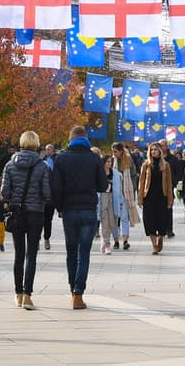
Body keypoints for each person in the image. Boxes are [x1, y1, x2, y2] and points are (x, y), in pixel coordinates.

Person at [51, 125, 107, 309]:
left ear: (70, 138)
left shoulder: (61, 159)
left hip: (69, 210)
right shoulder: (94, 158)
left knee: (71, 252)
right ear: (86, 138)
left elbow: (56, 187)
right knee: (84, 253)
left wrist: (59, 207)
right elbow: (102, 185)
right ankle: (78, 292)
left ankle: (72, 290)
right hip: (88, 209)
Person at [2, 130, 52, 309]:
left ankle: (17, 293)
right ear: (37, 144)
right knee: (32, 254)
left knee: (19, 254)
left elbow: (4, 193)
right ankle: (27, 295)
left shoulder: (9, 165)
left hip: (17, 213)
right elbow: (47, 194)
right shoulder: (43, 166)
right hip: (35, 213)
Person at [138, 143, 173, 254]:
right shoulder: (146, 165)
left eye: (155, 150)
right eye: (151, 150)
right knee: (149, 221)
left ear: (160, 151)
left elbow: (169, 183)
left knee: (162, 220)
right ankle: (154, 245)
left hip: (162, 196)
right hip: (149, 197)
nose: (153, 152)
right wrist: (140, 198)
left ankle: (161, 238)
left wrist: (170, 199)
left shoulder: (166, 165)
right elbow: (141, 182)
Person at [110, 143, 139, 249]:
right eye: (113, 151)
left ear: (121, 151)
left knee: (124, 217)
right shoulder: (112, 160)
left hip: (126, 193)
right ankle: (116, 240)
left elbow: (133, 176)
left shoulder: (128, 160)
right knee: (114, 218)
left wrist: (133, 191)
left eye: (115, 151)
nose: (114, 154)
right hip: (114, 193)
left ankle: (125, 240)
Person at [41, 144, 56, 251]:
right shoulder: (41, 162)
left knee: (48, 220)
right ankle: (36, 240)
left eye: (49, 149)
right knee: (37, 220)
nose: (48, 151)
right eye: (46, 150)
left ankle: (47, 238)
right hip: (40, 198)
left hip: (51, 197)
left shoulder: (57, 160)